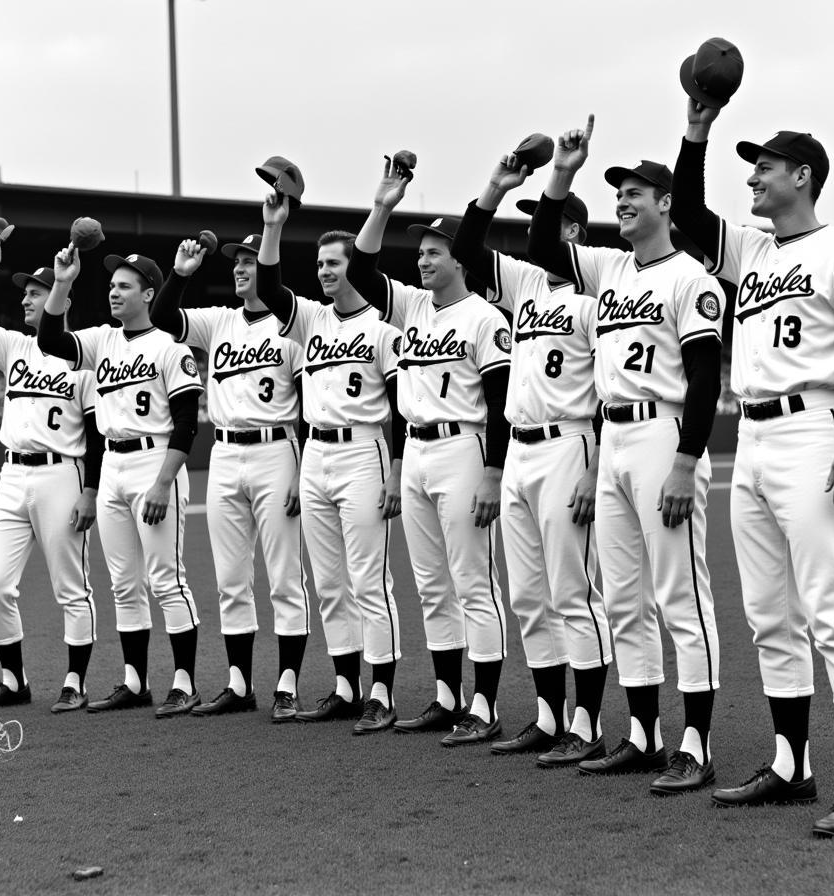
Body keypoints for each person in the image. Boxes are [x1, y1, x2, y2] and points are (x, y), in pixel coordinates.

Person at [673, 100, 834, 836]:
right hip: (755, 440)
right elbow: (692, 215)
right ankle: (792, 764)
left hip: (816, 428)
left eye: (764, 168)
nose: (754, 180)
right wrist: (695, 129)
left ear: (803, 175)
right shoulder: (753, 251)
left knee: (833, 607)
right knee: (769, 613)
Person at [527, 116, 723, 794]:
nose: (623, 201)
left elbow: (704, 378)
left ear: (666, 203)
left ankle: (696, 742)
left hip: (663, 434)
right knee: (624, 596)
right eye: (618, 194)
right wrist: (564, 172)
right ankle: (644, 734)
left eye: (636, 192)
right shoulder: (608, 267)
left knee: (680, 594)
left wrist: (685, 460)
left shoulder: (690, 277)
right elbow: (540, 241)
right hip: (611, 438)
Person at [449, 151, 613, 766]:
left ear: (571, 230)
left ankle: (587, 720)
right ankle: (547, 717)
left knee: (572, 590)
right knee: (528, 596)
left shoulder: (598, 295)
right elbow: (467, 246)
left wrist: (597, 466)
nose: (526, 232)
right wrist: (493, 186)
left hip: (570, 442)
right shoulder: (524, 285)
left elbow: (609, 385)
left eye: (540, 221)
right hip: (518, 449)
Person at [346, 157, 512, 748]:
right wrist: (383, 206)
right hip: (414, 451)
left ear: (459, 261)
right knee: (430, 583)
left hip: (463, 449)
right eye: (420, 252)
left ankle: (485, 703)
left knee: (473, 581)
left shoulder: (484, 318)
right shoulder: (414, 307)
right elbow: (363, 270)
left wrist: (493, 472)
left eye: (435, 251)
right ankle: (446, 696)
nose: (422, 259)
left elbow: (499, 400)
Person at [255, 186, 406, 735]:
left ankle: (382, 692)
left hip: (364, 449)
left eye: (334, 262)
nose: (323, 271)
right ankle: (346, 686)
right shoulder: (312, 320)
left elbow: (402, 409)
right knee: (330, 582)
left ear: (354, 268)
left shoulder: (383, 331)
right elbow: (270, 287)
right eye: (319, 263)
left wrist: (394, 467)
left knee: (370, 579)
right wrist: (273, 226)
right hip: (316, 451)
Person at [150, 232, 311, 722]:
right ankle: (239, 683)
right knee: (230, 578)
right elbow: (162, 318)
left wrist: (301, 469)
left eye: (248, 261)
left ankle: (286, 683)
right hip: (223, 453)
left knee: (284, 576)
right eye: (236, 262)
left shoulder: (293, 325)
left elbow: (308, 404)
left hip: (275, 450)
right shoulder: (219, 321)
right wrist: (180, 273)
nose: (239, 269)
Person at [38, 248, 204, 718]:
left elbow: (187, 422)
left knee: (167, 580)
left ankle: (184, 681)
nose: (114, 290)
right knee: (124, 584)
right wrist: (63, 283)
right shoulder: (101, 341)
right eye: (112, 285)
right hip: (111, 465)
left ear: (149, 294)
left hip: (155, 463)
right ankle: (135, 681)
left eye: (125, 285)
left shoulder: (170, 348)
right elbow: (50, 339)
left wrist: (163, 482)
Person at [0, 243, 101, 713]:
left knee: (70, 586)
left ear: (60, 298)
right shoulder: (15, 347)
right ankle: (13, 680)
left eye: (36, 292)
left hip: (63, 475)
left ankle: (75, 680)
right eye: (26, 293)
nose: (25, 300)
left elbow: (97, 435)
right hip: (12, 475)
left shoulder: (81, 358)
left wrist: (91, 492)